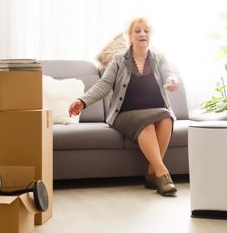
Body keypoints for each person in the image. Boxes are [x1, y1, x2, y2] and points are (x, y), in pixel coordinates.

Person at [68, 17, 179, 196]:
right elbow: (104, 85)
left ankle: (152, 172)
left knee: (166, 117)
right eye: (137, 31)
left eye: (146, 31)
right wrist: (83, 101)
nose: (142, 34)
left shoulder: (159, 58)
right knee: (148, 124)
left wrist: (172, 81)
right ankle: (162, 173)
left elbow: (169, 74)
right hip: (126, 114)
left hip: (157, 111)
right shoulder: (119, 60)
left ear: (150, 35)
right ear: (130, 36)